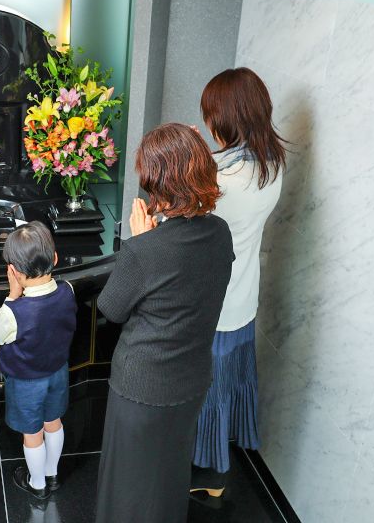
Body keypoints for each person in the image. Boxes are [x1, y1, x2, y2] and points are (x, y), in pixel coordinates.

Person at [94, 123, 234, 523]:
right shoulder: (220, 233)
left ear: (159, 183)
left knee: (129, 486)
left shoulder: (145, 251)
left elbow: (110, 308)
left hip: (142, 388)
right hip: (191, 380)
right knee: (169, 475)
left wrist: (140, 242)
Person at [191, 67, 286, 496]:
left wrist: (189, 164)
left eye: (212, 115)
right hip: (243, 293)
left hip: (216, 302)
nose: (209, 123)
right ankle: (217, 462)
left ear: (226, 120)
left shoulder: (225, 182)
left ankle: (210, 475)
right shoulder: (270, 163)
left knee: (208, 392)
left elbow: (182, 225)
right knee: (228, 383)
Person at [0, 221, 77, 500]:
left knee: (33, 433)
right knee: (54, 422)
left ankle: (37, 484)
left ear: (14, 272)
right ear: (55, 258)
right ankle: (52, 474)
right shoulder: (68, 290)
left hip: (26, 383)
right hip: (58, 372)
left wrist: (12, 296)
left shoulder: (15, 312)